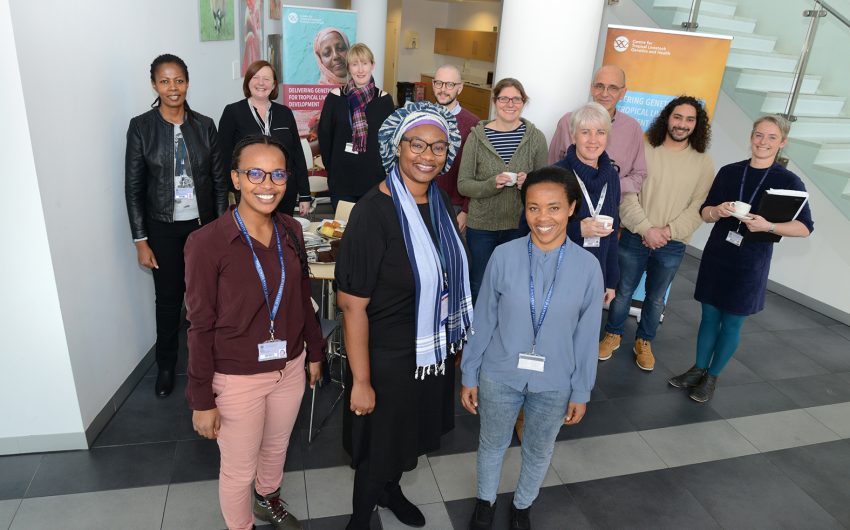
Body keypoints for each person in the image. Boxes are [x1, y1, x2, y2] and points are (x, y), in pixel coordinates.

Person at [335, 101, 473, 529]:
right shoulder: (372, 212)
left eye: (437, 146)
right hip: (387, 356)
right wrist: (360, 381)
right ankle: (359, 519)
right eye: (417, 144)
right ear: (397, 146)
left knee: (405, 439)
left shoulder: (442, 206)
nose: (427, 155)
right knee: (380, 448)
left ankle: (391, 491)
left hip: (429, 348)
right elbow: (351, 305)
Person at [185, 135, 325, 530]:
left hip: (290, 366)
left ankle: (267, 500)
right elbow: (199, 325)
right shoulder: (206, 243)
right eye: (255, 174)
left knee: (276, 447)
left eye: (277, 173)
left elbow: (301, 296)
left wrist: (314, 352)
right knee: (238, 469)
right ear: (236, 178)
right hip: (237, 376)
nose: (267, 184)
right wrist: (201, 399)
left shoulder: (291, 230)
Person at [461, 166, 602, 530]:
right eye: (534, 208)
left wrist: (581, 389)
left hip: (556, 381)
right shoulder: (504, 256)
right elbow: (485, 319)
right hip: (500, 373)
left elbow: (587, 336)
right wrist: (469, 373)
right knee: (492, 444)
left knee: (539, 449)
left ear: (572, 208)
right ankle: (485, 503)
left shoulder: (588, 267)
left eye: (554, 208)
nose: (543, 218)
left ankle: (523, 506)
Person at [669, 116, 813, 402]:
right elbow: (704, 213)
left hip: (751, 261)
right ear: (751, 137)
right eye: (759, 135)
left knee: (732, 322)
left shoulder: (789, 181)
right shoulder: (729, 172)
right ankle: (698, 369)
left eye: (772, 137)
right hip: (718, 254)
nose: (763, 142)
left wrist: (769, 226)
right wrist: (718, 211)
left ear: (782, 143)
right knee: (709, 315)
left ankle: (712, 377)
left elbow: (805, 228)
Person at [125, 53, 228, 397]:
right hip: (162, 229)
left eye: (179, 80)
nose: (173, 88)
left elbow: (218, 183)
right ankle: (167, 365)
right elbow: (134, 187)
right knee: (169, 301)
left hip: (202, 229)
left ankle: (212, 364)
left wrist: (218, 231)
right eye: (165, 81)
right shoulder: (141, 127)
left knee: (208, 301)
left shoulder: (205, 125)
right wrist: (141, 240)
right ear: (154, 84)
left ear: (187, 82)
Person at [599, 96, 715, 370]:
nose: (682, 124)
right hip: (634, 234)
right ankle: (613, 333)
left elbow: (698, 205)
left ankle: (644, 340)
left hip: (672, 242)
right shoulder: (644, 149)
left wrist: (667, 231)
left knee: (656, 297)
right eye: (677, 117)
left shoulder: (703, 163)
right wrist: (646, 229)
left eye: (689, 119)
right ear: (667, 118)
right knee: (623, 290)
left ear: (697, 125)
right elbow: (627, 192)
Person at [457, 78, 548, 302]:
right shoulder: (476, 137)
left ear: (523, 102)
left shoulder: (536, 138)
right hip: (481, 226)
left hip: (518, 225)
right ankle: (476, 332)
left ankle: (505, 330)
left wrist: (528, 183)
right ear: (495, 101)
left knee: (512, 284)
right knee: (479, 283)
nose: (510, 104)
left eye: (516, 99)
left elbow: (545, 189)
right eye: (504, 98)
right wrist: (490, 184)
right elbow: (464, 183)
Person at [218, 60, 312, 216]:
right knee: (253, 237)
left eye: (267, 79)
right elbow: (223, 157)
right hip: (251, 191)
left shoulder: (285, 113)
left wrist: (304, 194)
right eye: (256, 77)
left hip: (284, 190)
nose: (261, 83)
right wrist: (231, 190)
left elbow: (297, 155)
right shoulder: (233, 112)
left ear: (274, 85)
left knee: (283, 236)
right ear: (248, 81)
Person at [554, 102, 620, 304]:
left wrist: (610, 280)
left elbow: (613, 231)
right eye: (585, 132)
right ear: (573, 136)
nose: (593, 140)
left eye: (600, 132)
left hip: (595, 275)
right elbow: (533, 228)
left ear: (607, 137)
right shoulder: (556, 175)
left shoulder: (612, 176)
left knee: (586, 333)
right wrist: (577, 229)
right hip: (558, 274)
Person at [549, 65, 647, 197]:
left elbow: (639, 175)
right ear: (591, 88)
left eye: (613, 88)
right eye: (599, 86)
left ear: (623, 93)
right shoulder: (567, 122)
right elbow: (551, 167)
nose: (605, 93)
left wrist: (607, 186)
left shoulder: (632, 128)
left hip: (610, 208)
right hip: (570, 205)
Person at [318, 43, 395, 210]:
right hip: (341, 178)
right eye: (355, 64)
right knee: (343, 230)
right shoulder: (335, 98)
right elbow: (325, 137)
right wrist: (332, 168)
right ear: (348, 68)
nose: (360, 69)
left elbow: (390, 141)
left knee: (370, 231)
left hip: (374, 179)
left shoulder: (385, 100)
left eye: (364, 63)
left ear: (372, 65)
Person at [432, 64, 479, 233]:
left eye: (450, 85)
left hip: (453, 205)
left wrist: (466, 210)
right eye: (439, 83)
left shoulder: (473, 125)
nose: (443, 89)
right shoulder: (421, 116)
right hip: (419, 199)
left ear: (460, 88)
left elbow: (478, 171)